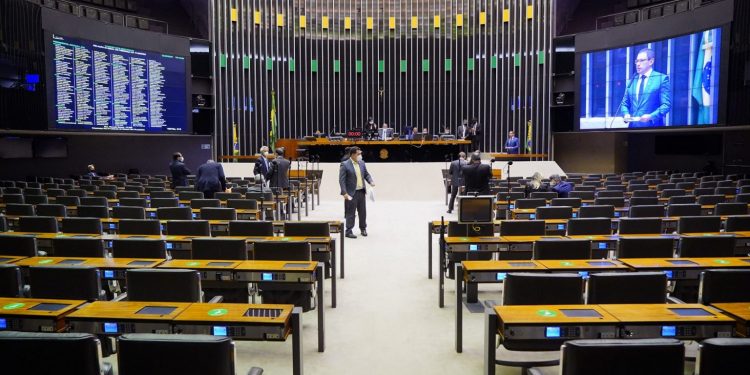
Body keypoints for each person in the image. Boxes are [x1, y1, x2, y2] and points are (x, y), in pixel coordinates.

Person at [621, 48, 672, 128]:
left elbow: (666, 105)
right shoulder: (631, 81)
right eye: (637, 61)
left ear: (651, 61)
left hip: (653, 129)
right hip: (632, 129)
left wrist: (651, 116)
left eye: (641, 61)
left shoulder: (661, 79)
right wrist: (626, 114)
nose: (638, 64)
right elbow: (624, 104)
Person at [339, 146, 374, 239]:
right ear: (353, 154)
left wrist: (370, 181)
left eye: (360, 153)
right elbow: (341, 180)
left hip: (361, 191)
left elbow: (366, 174)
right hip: (351, 192)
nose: (360, 155)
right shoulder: (345, 164)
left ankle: (363, 228)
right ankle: (348, 230)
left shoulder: (362, 163)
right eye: (358, 154)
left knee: (362, 212)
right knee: (351, 212)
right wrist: (344, 192)